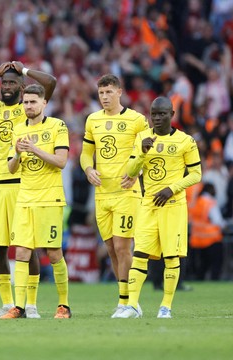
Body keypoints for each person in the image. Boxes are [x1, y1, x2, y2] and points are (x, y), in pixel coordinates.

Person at [0, 61, 57, 319]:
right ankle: (8, 304)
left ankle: (31, 305)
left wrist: (24, 70)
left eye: (11, 83)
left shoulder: (28, 107)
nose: (6, 87)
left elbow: (50, 83)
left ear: (21, 87)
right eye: (4, 83)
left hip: (22, 184)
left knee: (27, 246)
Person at [117, 96, 201, 319]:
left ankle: (166, 307)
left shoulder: (186, 141)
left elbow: (196, 174)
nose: (156, 118)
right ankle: (132, 306)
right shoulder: (142, 138)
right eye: (153, 114)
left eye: (162, 114)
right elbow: (131, 171)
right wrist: (142, 152)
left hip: (173, 206)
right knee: (139, 255)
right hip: (148, 205)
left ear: (172, 115)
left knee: (171, 258)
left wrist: (171, 188)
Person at [80, 74, 149, 317]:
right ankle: (126, 301)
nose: (105, 97)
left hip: (127, 193)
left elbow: (146, 152)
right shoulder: (92, 120)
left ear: (120, 92)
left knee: (122, 247)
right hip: (102, 194)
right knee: (110, 248)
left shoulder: (137, 120)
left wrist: (136, 172)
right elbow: (86, 153)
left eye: (109, 92)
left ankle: (128, 303)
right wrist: (88, 169)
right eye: (101, 93)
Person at [1, 84, 71, 319]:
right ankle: (19, 307)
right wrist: (19, 154)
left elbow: (61, 161)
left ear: (44, 103)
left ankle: (64, 306)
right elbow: (11, 169)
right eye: (26, 102)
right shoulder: (18, 129)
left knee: (53, 254)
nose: (29, 106)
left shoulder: (57, 126)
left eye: (33, 102)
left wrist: (34, 148)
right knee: (21, 252)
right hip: (25, 199)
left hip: (50, 199)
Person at [189, 183, 225, 280]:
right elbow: (217, 220)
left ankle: (199, 279)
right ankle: (214, 280)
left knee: (202, 264)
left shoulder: (196, 202)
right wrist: (225, 227)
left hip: (198, 239)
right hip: (212, 238)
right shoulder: (210, 202)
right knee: (216, 263)